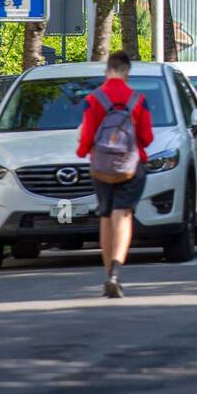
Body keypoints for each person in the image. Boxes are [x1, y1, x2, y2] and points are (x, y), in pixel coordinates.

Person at [76, 51, 153, 298]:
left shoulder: (93, 98)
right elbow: (147, 137)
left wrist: (82, 151)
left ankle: (107, 273)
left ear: (106, 71)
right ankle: (116, 273)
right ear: (127, 72)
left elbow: (87, 136)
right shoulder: (138, 99)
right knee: (124, 215)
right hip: (130, 167)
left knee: (106, 216)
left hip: (101, 168)